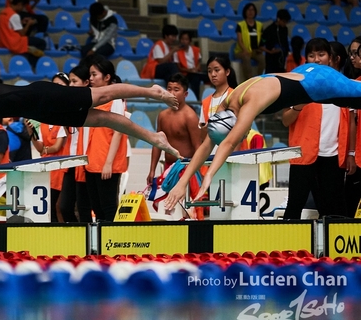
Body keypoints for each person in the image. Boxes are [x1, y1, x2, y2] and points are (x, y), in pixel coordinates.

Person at [0, 56, 181, 187]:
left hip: (46, 96)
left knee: (103, 95)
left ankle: (151, 91)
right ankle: (155, 138)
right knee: (106, 120)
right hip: (43, 112)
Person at [163, 47, 361, 212]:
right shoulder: (228, 103)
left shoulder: (250, 103)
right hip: (307, 72)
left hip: (320, 83)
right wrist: (183, 183)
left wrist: (209, 176)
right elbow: (207, 145)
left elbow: (229, 143)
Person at [280, 38, 348, 219]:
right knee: (295, 205)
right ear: (306, 59)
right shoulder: (296, 84)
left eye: (321, 54)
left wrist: (349, 154)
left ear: (330, 57)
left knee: (331, 210)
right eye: (312, 55)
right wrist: (299, 105)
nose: (317, 59)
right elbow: (286, 121)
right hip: (304, 155)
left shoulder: (342, 84)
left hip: (333, 157)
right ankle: (286, 245)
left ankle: (327, 247)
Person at [148, 74, 205, 220]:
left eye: (176, 90)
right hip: (168, 168)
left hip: (186, 169)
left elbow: (198, 147)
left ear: (185, 94)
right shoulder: (162, 115)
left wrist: (200, 174)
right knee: (168, 210)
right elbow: (157, 144)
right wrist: (152, 169)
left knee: (187, 213)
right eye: (169, 89)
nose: (172, 93)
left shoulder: (190, 116)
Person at [83, 57, 129, 222]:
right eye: (90, 75)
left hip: (107, 164)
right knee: (96, 208)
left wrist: (108, 163)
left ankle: (112, 243)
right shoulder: (93, 100)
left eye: (95, 74)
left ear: (107, 77)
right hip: (92, 163)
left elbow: (118, 131)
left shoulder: (115, 98)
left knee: (108, 207)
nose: (91, 78)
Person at [30, 72, 70, 222]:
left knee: (61, 206)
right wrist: (32, 133)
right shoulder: (44, 120)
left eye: (60, 85)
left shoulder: (65, 118)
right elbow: (40, 148)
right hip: (46, 169)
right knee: (50, 207)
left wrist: (46, 149)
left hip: (61, 169)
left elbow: (58, 146)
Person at [59, 64, 92, 223]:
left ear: (86, 83)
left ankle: (89, 243)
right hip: (70, 162)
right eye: (70, 81)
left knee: (84, 207)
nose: (70, 85)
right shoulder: (68, 106)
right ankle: (77, 238)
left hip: (86, 162)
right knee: (64, 206)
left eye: (74, 81)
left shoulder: (91, 107)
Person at [345, 36, 361, 217]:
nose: (353, 57)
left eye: (357, 53)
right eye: (352, 53)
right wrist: (351, 154)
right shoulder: (354, 84)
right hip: (358, 156)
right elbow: (352, 122)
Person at [234, 2, 265, 81]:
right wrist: (245, 50)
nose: (251, 12)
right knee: (246, 58)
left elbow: (262, 39)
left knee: (263, 59)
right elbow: (240, 41)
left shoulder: (259, 25)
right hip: (242, 51)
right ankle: (249, 80)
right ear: (245, 12)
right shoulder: (240, 25)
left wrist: (260, 48)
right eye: (249, 10)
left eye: (252, 10)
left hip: (255, 51)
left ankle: (259, 79)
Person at [174, 31, 207, 99]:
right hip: (186, 73)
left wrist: (196, 69)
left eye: (186, 39)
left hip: (196, 72)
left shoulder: (195, 49)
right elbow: (179, 68)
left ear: (189, 41)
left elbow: (199, 62)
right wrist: (189, 70)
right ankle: (196, 99)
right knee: (195, 79)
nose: (184, 41)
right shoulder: (177, 52)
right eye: (182, 39)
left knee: (211, 75)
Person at [260, 9, 291, 75]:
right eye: (284, 21)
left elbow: (285, 42)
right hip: (271, 59)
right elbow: (261, 45)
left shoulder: (285, 29)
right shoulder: (269, 30)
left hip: (282, 59)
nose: (285, 24)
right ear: (278, 19)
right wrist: (270, 52)